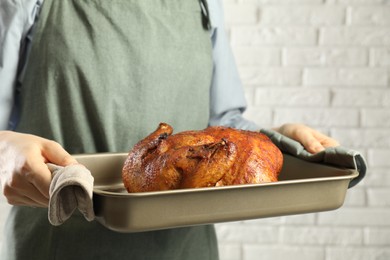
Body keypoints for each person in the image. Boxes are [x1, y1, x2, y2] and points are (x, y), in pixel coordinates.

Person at [0, 0, 339, 259]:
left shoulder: (204, 3)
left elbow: (224, 126)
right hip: (58, 246)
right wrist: (5, 149)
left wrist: (277, 138)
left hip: (186, 249)